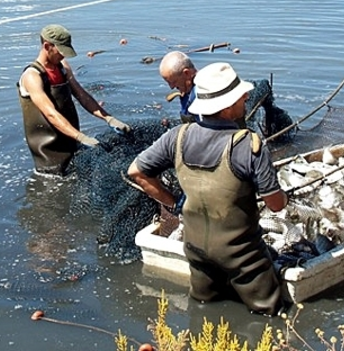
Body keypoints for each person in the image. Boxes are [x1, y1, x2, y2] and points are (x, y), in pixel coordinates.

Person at [128, 62, 289, 316]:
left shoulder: (177, 136)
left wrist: (174, 203)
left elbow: (136, 172)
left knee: (203, 313)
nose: (246, 98)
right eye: (240, 96)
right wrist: (283, 196)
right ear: (226, 107)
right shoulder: (249, 145)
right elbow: (276, 205)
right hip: (242, 256)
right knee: (269, 315)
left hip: (196, 251)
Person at [17, 24, 131, 175]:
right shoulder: (32, 76)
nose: (63, 56)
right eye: (60, 51)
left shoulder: (62, 67)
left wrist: (109, 118)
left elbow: (81, 95)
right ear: (47, 46)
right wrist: (81, 137)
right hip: (49, 154)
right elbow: (50, 113)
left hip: (71, 142)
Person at [159, 51, 198, 123]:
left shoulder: (203, 94)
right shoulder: (186, 90)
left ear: (187, 73)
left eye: (173, 82)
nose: (171, 87)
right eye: (169, 83)